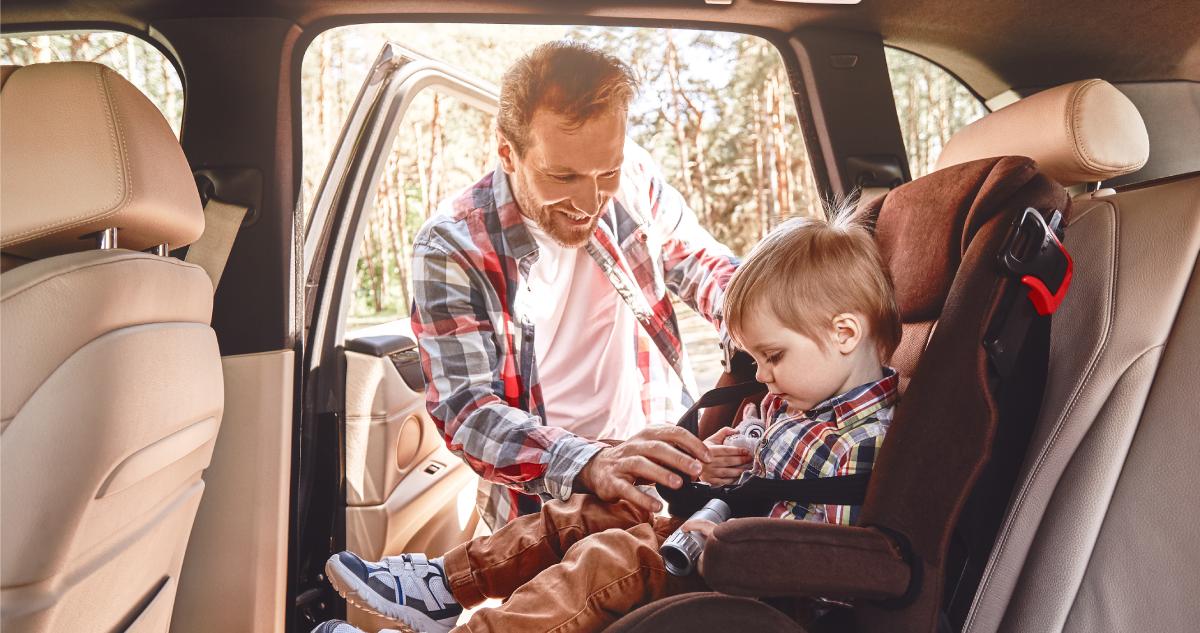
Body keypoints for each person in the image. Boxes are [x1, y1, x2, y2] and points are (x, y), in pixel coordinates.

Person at [313, 212, 904, 633]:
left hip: (762, 575)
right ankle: (445, 586)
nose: (765, 376)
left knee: (609, 559)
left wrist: (714, 524)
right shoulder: (806, 397)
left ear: (845, 333)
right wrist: (728, 456)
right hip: (716, 530)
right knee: (590, 512)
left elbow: (814, 547)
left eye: (773, 357)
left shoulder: (858, 439)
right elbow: (770, 466)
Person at [408, 40, 741, 532]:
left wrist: (770, 325)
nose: (590, 201)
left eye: (606, 170)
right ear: (507, 151)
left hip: (659, 468)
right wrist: (589, 463)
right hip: (541, 500)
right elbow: (467, 411)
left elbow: (704, 267)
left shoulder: (633, 180)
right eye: (561, 175)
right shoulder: (450, 246)